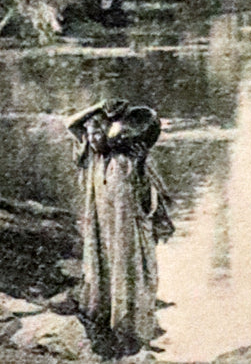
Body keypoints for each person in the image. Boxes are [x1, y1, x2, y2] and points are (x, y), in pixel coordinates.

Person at [66, 100, 174, 357]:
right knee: (103, 282)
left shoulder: (128, 162)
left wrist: (139, 164)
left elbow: (149, 204)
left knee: (131, 284)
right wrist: (98, 107)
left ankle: (134, 343)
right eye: (90, 134)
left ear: (113, 133)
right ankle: (106, 337)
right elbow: (71, 124)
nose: (93, 139)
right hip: (104, 235)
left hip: (129, 240)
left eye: (99, 133)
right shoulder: (92, 158)